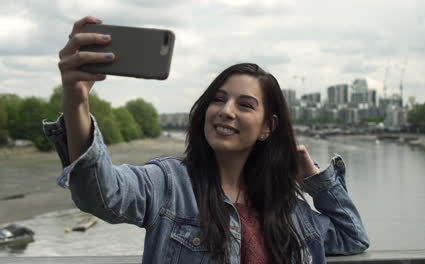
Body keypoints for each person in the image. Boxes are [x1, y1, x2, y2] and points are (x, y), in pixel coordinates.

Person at [44, 16, 369, 264]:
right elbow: (100, 194)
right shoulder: (169, 185)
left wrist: (315, 178)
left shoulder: (288, 210)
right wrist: (76, 100)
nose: (226, 111)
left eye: (245, 105)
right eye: (218, 99)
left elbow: (352, 237)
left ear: (267, 127)